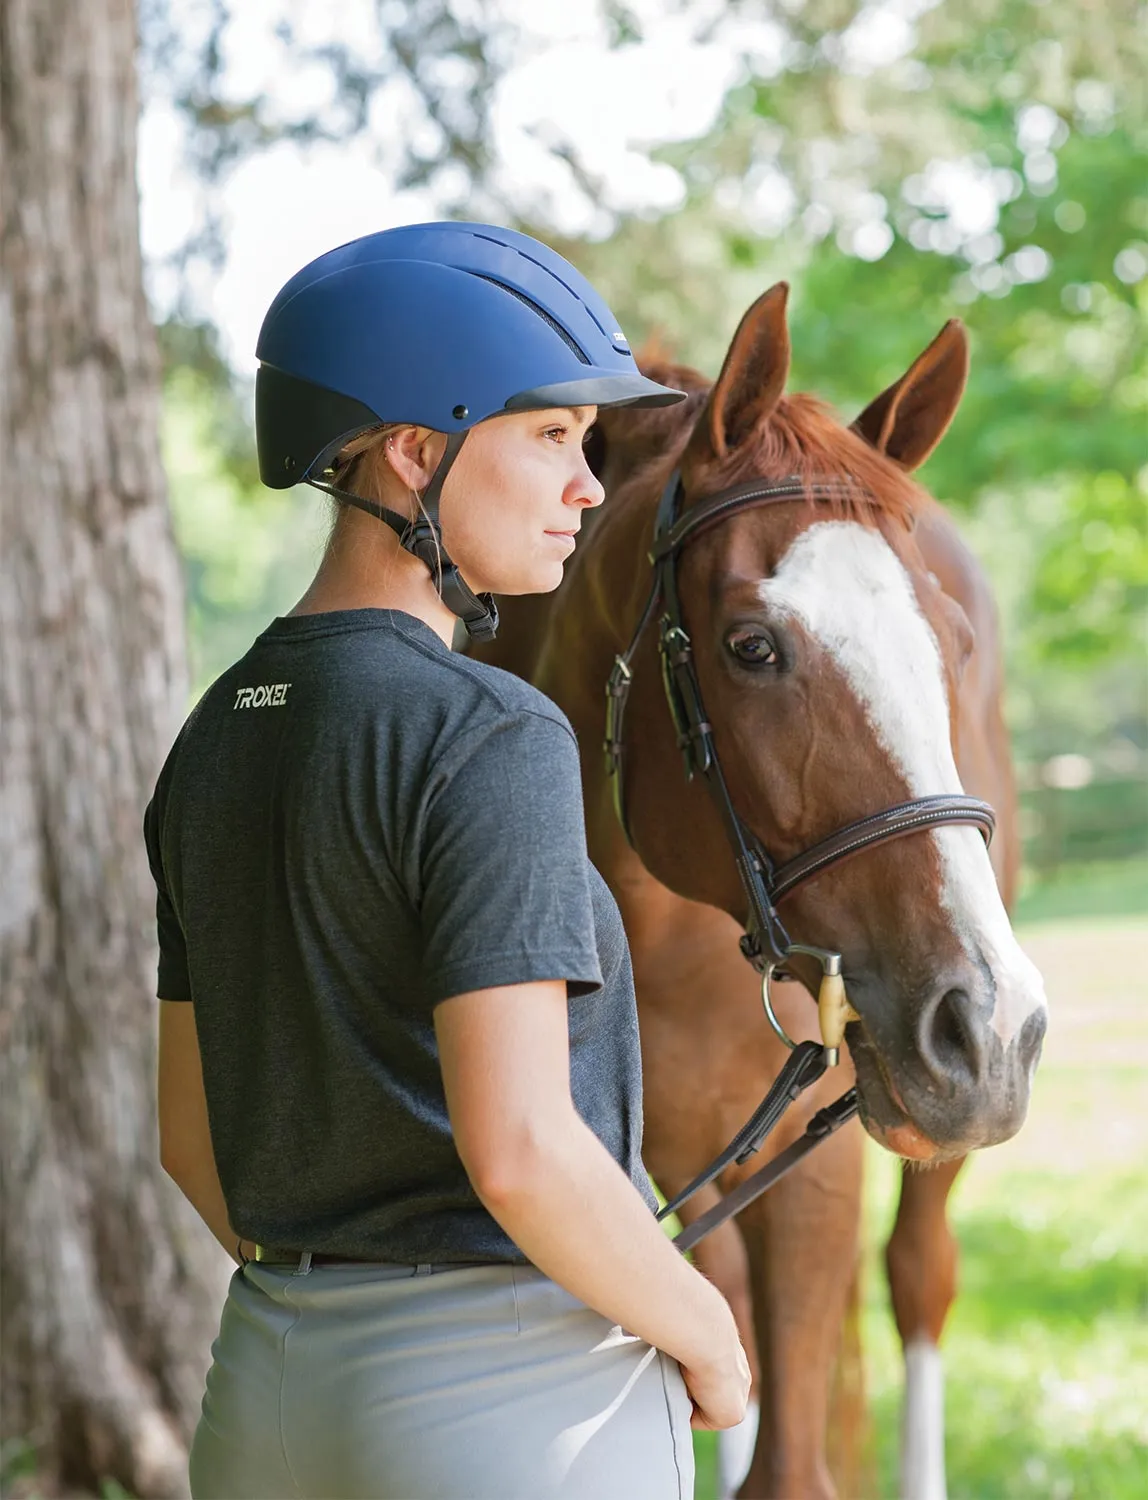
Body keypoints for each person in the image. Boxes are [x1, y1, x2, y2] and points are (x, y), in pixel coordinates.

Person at [146, 221, 750, 1500]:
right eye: (548, 437)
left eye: (588, 448)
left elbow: (192, 1143)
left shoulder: (211, 737)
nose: (585, 487)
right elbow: (522, 1146)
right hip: (510, 1408)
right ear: (415, 451)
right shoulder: (489, 730)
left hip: (265, 1388)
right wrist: (706, 1336)